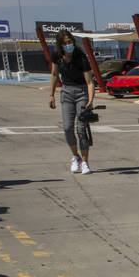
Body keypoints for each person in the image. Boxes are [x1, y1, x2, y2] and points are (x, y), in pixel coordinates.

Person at [48, 30, 95, 174]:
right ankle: (76, 157)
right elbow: (55, 74)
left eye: (70, 42)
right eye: (65, 43)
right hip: (66, 92)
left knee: (81, 129)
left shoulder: (81, 57)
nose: (68, 45)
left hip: (81, 92)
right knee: (68, 128)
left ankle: (85, 162)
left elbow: (89, 82)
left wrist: (90, 101)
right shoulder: (57, 56)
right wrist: (51, 95)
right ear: (60, 45)